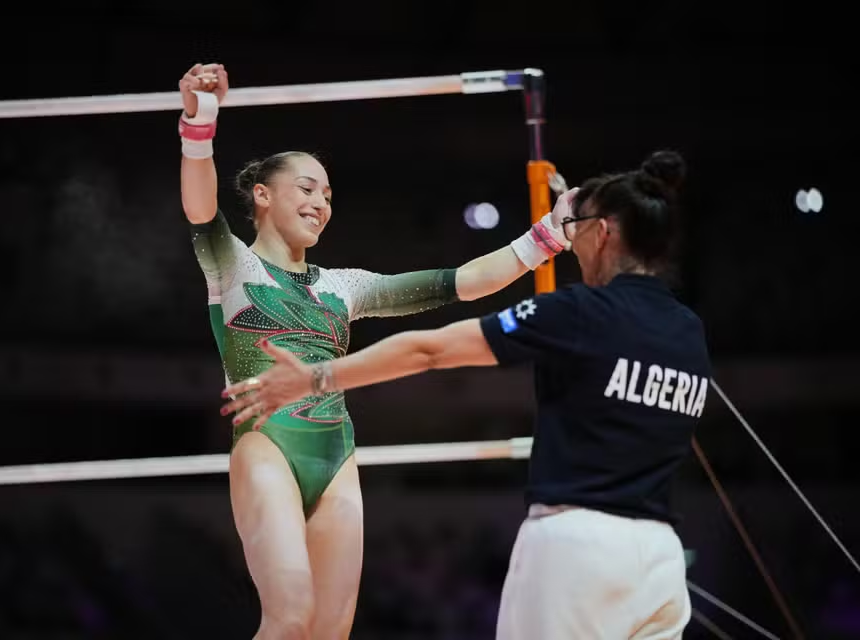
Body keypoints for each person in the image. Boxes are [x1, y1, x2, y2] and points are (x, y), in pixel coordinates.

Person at [222, 149, 712, 639]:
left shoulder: (578, 311)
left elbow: (430, 350)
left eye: (580, 227)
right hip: (661, 558)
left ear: (603, 233)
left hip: (577, 546)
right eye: (308, 190)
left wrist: (315, 377)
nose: (573, 239)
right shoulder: (690, 330)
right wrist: (544, 235)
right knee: (295, 619)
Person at [178, 62, 574, 640]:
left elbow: (463, 281)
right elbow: (198, 206)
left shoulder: (344, 286)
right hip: (268, 445)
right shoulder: (232, 264)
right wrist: (201, 117)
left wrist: (548, 237)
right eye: (307, 188)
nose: (321, 203)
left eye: (329, 195)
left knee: (330, 633)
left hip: (337, 455)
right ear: (262, 196)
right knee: (289, 620)